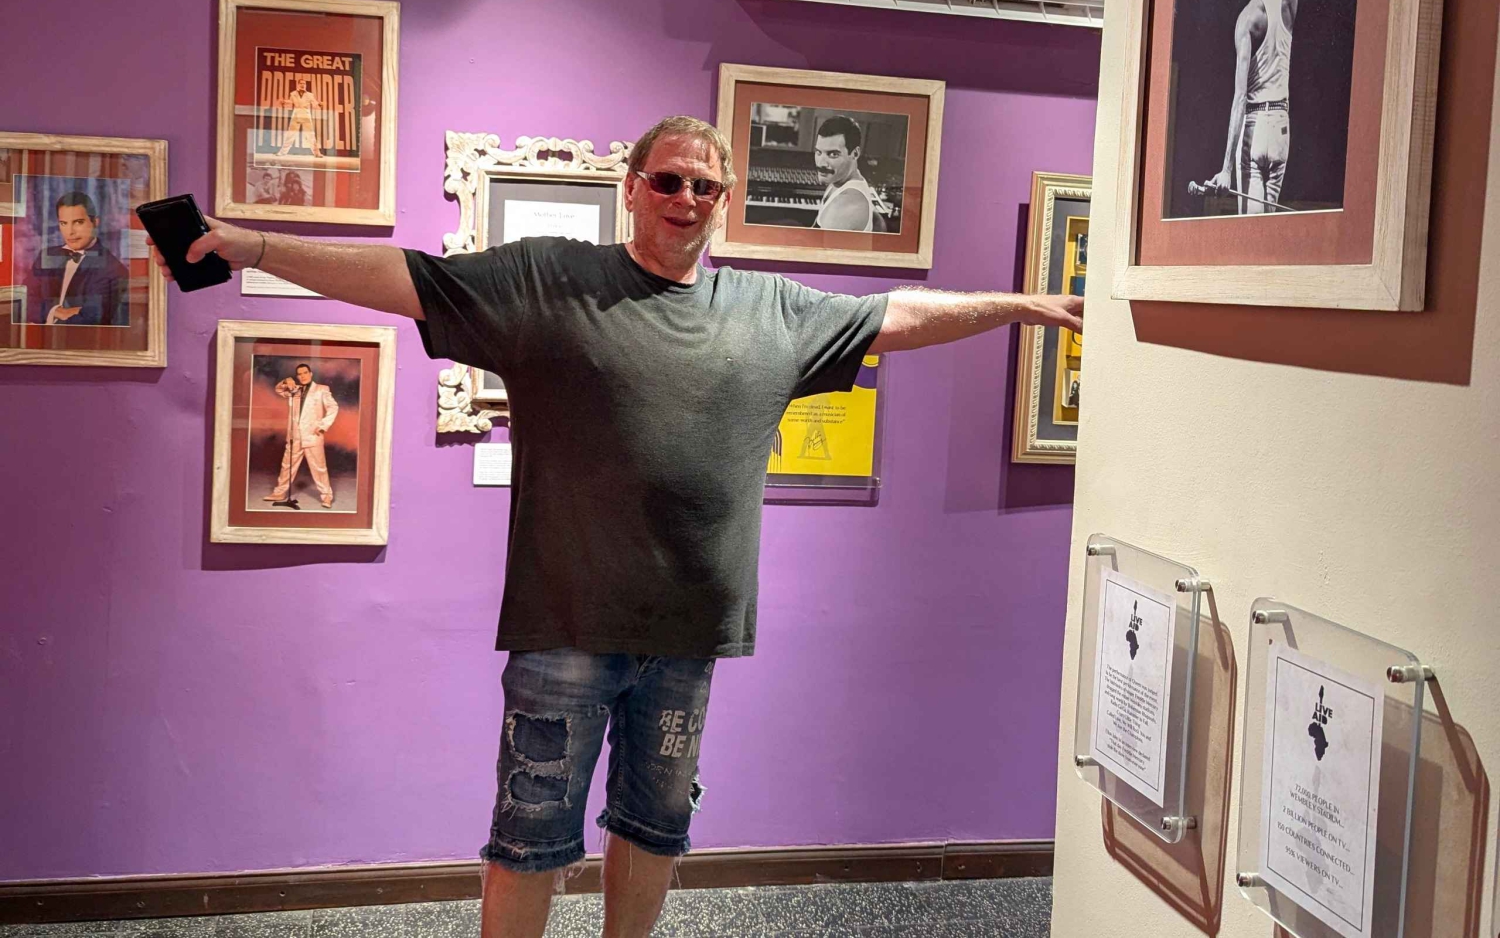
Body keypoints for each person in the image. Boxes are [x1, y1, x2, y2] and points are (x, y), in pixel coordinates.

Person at [149, 115, 1082, 938]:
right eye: (668, 179)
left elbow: (898, 314)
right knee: (531, 831)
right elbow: (408, 278)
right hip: (566, 624)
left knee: (655, 825)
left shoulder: (773, 311)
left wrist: (1020, 306)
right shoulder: (551, 280)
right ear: (632, 188)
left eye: (704, 186)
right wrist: (255, 245)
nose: (686, 198)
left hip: (688, 634)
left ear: (725, 201)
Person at [1202, 0, 1307, 214]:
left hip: (1255, 128)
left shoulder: (1248, 18)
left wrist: (1226, 169)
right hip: (1281, 129)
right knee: (1266, 230)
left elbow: (1240, 97)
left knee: (1252, 232)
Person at [28, 190, 129, 326]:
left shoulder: (113, 270)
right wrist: (56, 311)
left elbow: (90, 319)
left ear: (95, 222)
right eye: (64, 223)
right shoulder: (46, 256)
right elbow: (26, 303)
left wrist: (45, 314)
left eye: (78, 222)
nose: (70, 232)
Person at [264, 362, 339, 509]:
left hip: (313, 435)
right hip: (295, 436)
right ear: (297, 377)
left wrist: (323, 426)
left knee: (319, 468)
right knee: (287, 466)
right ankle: (279, 493)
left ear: (311, 374)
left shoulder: (321, 389)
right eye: (299, 374)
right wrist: (286, 380)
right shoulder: (294, 390)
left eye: (305, 373)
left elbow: (333, 407)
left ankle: (326, 496)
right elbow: (279, 389)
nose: (303, 376)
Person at [811, 115, 884, 232]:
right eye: (818, 152)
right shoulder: (839, 179)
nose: (821, 163)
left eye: (833, 154)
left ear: (855, 154)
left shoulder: (846, 204)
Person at [276, 77, 325, 158]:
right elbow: (291, 101)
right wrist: (284, 102)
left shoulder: (310, 95)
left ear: (306, 85)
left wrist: (319, 104)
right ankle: (282, 152)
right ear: (298, 84)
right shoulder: (293, 93)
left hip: (306, 115)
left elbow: (315, 104)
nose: (302, 85)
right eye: (301, 83)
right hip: (296, 115)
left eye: (304, 83)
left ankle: (317, 153)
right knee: (290, 134)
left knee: (311, 135)